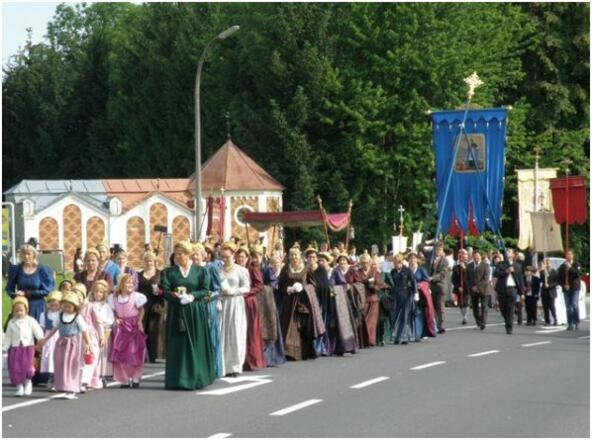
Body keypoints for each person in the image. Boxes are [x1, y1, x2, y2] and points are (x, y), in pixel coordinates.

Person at [161, 241, 215, 389]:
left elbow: (205, 289)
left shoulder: (200, 271)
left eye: (180, 254)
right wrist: (177, 297)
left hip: (195, 311)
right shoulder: (170, 272)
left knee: (196, 343)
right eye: (176, 254)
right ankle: (178, 380)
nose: (177, 257)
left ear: (188, 254)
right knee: (178, 345)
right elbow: (166, 290)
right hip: (177, 312)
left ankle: (198, 378)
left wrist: (192, 296)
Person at [40, 292, 92, 400]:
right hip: (61, 343)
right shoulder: (60, 316)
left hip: (73, 344)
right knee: (61, 364)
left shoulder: (77, 317)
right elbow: (54, 329)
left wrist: (88, 343)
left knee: (72, 365)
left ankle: (72, 388)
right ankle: (63, 385)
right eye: (64, 306)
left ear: (75, 307)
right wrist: (45, 339)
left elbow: (84, 331)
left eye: (69, 306)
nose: (66, 308)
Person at [278, 244, 321, 361]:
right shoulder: (285, 269)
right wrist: (288, 289)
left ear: (300, 256)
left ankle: (303, 351)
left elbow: (313, 285)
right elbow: (280, 285)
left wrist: (304, 288)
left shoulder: (306, 269)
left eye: (296, 255)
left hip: (303, 301)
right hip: (289, 302)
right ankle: (289, 352)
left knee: (302, 326)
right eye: (291, 255)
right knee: (289, 326)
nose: (294, 257)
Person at [108, 273, 147, 389]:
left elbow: (141, 310)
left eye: (132, 282)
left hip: (133, 325)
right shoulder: (113, 298)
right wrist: (116, 318)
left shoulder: (136, 296)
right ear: (121, 284)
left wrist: (139, 321)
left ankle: (135, 377)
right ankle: (124, 379)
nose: (131, 285)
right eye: (128, 282)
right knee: (120, 353)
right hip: (121, 327)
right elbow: (113, 311)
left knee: (134, 352)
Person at [218, 241, 249, 377]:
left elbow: (246, 287)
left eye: (227, 256)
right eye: (222, 257)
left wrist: (233, 291)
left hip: (236, 303)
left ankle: (235, 366)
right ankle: (223, 366)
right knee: (222, 333)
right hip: (222, 303)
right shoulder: (218, 270)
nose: (225, 259)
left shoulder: (241, 270)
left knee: (235, 333)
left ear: (233, 255)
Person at [3, 296, 44, 396]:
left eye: (21, 310)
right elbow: (8, 336)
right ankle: (19, 387)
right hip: (15, 349)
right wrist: (4, 347)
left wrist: (40, 339)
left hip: (28, 348)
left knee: (27, 367)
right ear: (13, 311)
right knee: (16, 368)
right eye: (16, 311)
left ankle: (28, 382)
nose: (19, 313)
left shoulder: (30, 321)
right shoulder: (11, 322)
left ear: (26, 310)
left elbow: (37, 330)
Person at [236, 245, 266, 371]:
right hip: (237, 301)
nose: (240, 259)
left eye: (243, 257)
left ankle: (252, 360)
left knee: (250, 331)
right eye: (238, 257)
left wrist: (247, 293)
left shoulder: (252, 269)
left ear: (247, 257)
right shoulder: (234, 268)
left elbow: (259, 286)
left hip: (249, 302)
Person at [6, 244, 55, 322]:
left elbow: (47, 290)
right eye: (24, 254)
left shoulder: (42, 270)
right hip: (21, 306)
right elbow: (9, 289)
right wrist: (15, 295)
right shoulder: (16, 269)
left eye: (29, 254)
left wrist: (27, 293)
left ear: (34, 255)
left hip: (38, 307)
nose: (26, 256)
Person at [346, 251, 381, 347]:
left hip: (373, 300)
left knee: (371, 322)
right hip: (362, 300)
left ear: (370, 262)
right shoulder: (357, 272)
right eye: (363, 263)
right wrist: (351, 270)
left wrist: (372, 286)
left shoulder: (375, 272)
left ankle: (371, 341)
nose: (365, 264)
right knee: (363, 321)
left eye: (366, 262)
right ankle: (363, 341)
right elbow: (350, 282)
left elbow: (379, 285)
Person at [138, 251, 164, 363]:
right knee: (142, 329)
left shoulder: (160, 274)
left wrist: (160, 292)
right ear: (143, 262)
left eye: (151, 261)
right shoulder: (138, 275)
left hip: (155, 304)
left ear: (155, 262)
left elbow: (165, 288)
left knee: (155, 331)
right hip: (142, 306)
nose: (149, 263)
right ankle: (142, 356)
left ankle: (154, 356)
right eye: (147, 261)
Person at [305, 245, 332, 355]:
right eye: (309, 257)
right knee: (311, 325)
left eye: (313, 257)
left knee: (320, 324)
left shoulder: (321, 270)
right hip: (308, 302)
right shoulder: (305, 270)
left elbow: (325, 285)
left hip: (320, 301)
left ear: (316, 258)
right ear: (306, 258)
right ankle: (311, 347)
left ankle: (319, 347)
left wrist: (315, 286)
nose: (311, 259)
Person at [87, 280, 114, 388]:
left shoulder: (106, 306)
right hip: (91, 332)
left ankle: (101, 375)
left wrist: (105, 329)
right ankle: (91, 375)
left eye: (101, 292)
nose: (98, 294)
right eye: (96, 291)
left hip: (103, 331)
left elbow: (109, 320)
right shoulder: (89, 304)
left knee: (102, 355)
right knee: (93, 353)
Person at [202, 241, 223, 378]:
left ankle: (214, 368)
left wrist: (209, 296)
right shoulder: (193, 268)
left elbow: (217, 288)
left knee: (211, 337)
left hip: (209, 305)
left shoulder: (212, 268)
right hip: (196, 305)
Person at [77, 282, 103, 392]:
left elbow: (98, 322)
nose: (78, 296)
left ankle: (85, 381)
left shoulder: (90, 306)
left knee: (90, 357)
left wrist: (101, 336)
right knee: (78, 359)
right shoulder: (72, 307)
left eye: (79, 294)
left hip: (90, 335)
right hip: (76, 335)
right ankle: (76, 380)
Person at [494, 249, 524, 335]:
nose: (508, 253)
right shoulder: (501, 264)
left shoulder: (517, 265)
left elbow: (520, 279)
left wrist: (522, 293)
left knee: (510, 308)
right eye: (507, 252)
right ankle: (507, 320)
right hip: (502, 288)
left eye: (510, 252)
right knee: (503, 308)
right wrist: (506, 271)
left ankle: (509, 327)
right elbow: (496, 273)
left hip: (512, 289)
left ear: (513, 254)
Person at [389, 254, 417, 344]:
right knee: (395, 316)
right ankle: (396, 337)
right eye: (394, 263)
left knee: (405, 316)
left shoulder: (407, 270)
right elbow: (390, 283)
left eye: (396, 263)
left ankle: (404, 337)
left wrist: (415, 293)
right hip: (395, 296)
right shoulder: (393, 271)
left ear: (400, 262)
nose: (395, 265)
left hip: (406, 295)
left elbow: (413, 281)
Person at [408, 252, 436, 339]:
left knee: (419, 312)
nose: (412, 260)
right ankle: (411, 332)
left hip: (420, 295)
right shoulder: (407, 270)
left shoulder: (421, 270)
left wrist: (420, 285)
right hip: (409, 294)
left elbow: (427, 280)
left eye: (414, 258)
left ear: (417, 259)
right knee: (410, 313)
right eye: (410, 258)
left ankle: (419, 333)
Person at [39, 291, 62, 388]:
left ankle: (57, 378)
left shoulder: (61, 314)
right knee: (48, 358)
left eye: (56, 304)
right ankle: (51, 377)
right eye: (51, 304)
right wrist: (41, 340)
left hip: (58, 336)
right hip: (48, 338)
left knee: (58, 358)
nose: (53, 306)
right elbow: (42, 328)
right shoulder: (44, 315)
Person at [558, 250, 582, 331]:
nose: (569, 256)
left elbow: (577, 274)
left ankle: (576, 322)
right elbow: (559, 278)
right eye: (567, 254)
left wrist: (570, 267)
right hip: (566, 289)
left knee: (574, 305)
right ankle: (570, 323)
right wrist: (564, 285)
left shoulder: (576, 264)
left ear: (573, 255)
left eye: (570, 254)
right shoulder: (562, 266)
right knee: (568, 307)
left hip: (575, 288)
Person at [429, 243, 449, 334]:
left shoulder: (445, 261)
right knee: (433, 307)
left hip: (440, 286)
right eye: (437, 249)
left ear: (442, 251)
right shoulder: (431, 259)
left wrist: (432, 278)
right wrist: (429, 242)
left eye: (440, 250)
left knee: (440, 306)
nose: (438, 251)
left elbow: (442, 274)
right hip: (431, 287)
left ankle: (441, 326)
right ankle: (436, 324)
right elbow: (420, 247)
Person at [470, 251, 491, 330]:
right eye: (474, 256)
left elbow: (486, 278)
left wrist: (477, 287)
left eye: (477, 256)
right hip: (473, 289)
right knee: (475, 307)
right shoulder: (469, 266)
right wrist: (472, 287)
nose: (476, 257)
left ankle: (483, 323)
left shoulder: (485, 265)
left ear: (480, 256)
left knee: (484, 306)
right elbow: (467, 279)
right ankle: (479, 322)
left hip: (483, 289)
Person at [451, 249, 470, 325]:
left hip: (467, 287)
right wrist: (458, 286)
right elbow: (453, 279)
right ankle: (463, 315)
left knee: (466, 302)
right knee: (461, 303)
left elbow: (470, 276)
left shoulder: (469, 266)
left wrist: (464, 269)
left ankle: (465, 316)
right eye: (460, 257)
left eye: (464, 256)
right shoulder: (455, 267)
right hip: (459, 287)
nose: (462, 258)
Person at [539, 259, 558, 326]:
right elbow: (541, 280)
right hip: (544, 292)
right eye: (546, 263)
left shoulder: (554, 272)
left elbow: (556, 282)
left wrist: (550, 285)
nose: (547, 265)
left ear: (551, 264)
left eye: (548, 263)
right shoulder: (543, 272)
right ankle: (547, 321)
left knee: (552, 306)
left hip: (551, 292)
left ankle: (555, 319)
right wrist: (543, 274)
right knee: (545, 307)